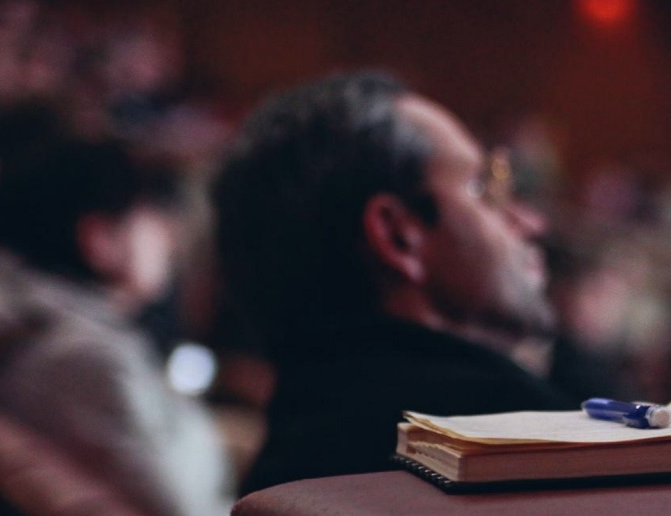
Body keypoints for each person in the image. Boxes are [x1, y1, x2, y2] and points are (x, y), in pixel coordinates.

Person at [213, 71, 575, 493]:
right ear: (398, 236)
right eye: (482, 188)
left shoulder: (284, 465)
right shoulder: (528, 448)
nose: (529, 223)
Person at [0, 104, 235, 515]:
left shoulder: (48, 328)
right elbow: (188, 508)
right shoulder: (79, 359)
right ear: (99, 239)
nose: (169, 235)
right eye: (151, 213)